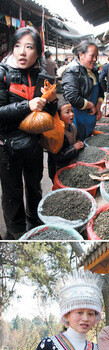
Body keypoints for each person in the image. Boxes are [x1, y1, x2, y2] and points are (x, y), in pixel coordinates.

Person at [0, 26, 57, 239]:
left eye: (29, 47)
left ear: (38, 52)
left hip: (33, 144)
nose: (22, 52)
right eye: (17, 46)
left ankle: (35, 224)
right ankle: (15, 233)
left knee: (34, 187)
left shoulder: (42, 76)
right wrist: (27, 105)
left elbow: (50, 113)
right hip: (7, 146)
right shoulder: (3, 73)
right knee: (12, 192)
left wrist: (51, 102)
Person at [62, 40, 104, 141]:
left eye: (96, 56)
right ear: (81, 55)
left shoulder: (93, 71)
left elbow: (101, 91)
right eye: (92, 56)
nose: (95, 59)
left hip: (89, 118)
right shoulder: (72, 72)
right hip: (77, 119)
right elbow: (73, 98)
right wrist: (91, 105)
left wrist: (98, 106)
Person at [47, 98, 84, 182]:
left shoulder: (72, 126)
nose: (71, 114)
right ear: (59, 116)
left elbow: (76, 136)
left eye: (72, 111)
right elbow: (58, 156)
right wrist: (74, 148)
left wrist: (78, 141)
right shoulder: (57, 133)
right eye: (67, 112)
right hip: (58, 167)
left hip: (70, 162)